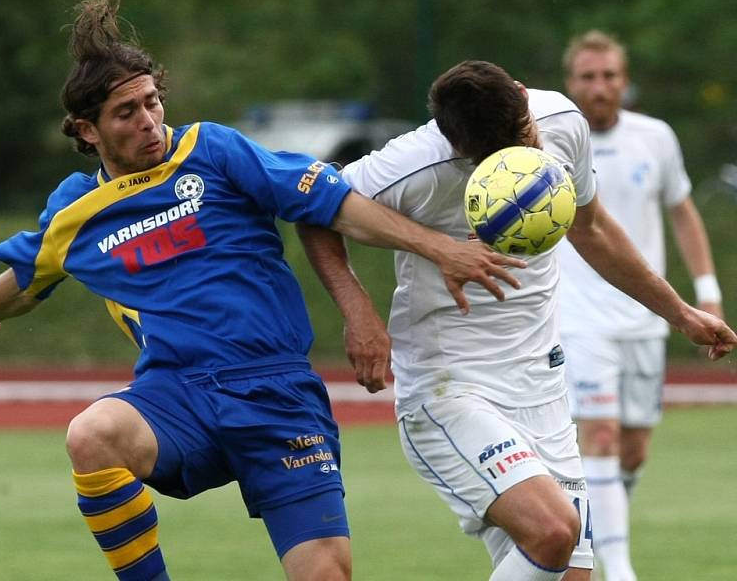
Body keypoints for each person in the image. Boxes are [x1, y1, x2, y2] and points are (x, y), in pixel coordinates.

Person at [0, 0, 528, 581]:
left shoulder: (213, 151)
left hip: (277, 394)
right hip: (179, 396)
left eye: (152, 102)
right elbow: (24, 279)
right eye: (126, 113)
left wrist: (438, 248)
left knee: (327, 575)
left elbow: (334, 203)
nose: (149, 121)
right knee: (93, 435)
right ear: (86, 130)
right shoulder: (75, 211)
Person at [296, 60, 735, 581]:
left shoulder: (562, 122)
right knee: (553, 530)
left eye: (527, 134)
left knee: (569, 572)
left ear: (526, 98)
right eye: (502, 154)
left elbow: (591, 230)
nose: (529, 155)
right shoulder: (413, 165)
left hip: (542, 384)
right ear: (458, 147)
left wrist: (680, 312)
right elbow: (315, 210)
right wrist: (361, 313)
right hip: (451, 386)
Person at [558, 30, 725, 581]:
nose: (599, 87)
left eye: (608, 76)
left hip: (647, 317)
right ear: (570, 83)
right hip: (579, 316)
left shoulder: (656, 137)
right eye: (587, 76)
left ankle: (601, 533)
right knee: (599, 436)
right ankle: (621, 568)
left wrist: (705, 289)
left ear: (624, 81)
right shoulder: (551, 143)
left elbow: (682, 211)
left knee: (632, 451)